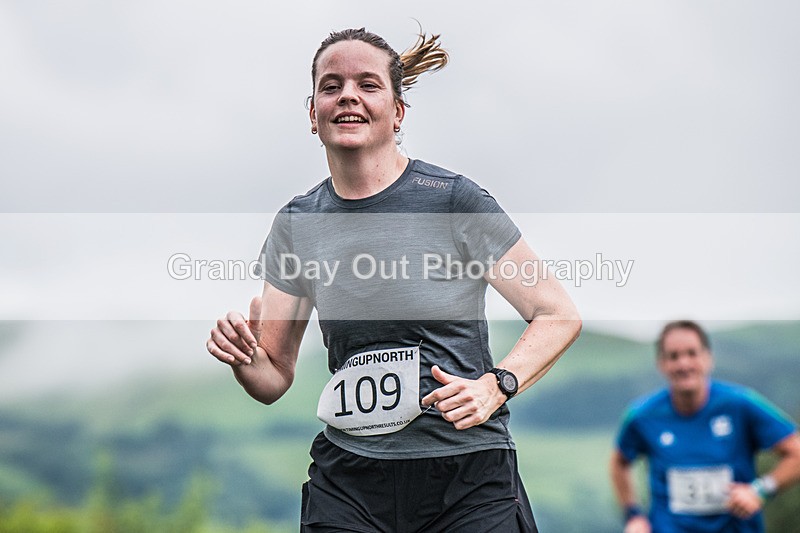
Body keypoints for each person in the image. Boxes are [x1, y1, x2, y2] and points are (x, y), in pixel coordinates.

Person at [206, 26, 581, 532]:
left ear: (398, 112)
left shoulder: (453, 199)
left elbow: (557, 314)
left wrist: (497, 385)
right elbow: (272, 378)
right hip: (351, 483)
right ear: (312, 113)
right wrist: (246, 359)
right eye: (331, 85)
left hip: (466, 477)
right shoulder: (296, 223)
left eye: (368, 84)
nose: (348, 97)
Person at [610, 320, 800, 533]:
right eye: (673, 356)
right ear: (661, 364)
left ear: (708, 358)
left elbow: (796, 452)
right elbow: (619, 463)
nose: (683, 364)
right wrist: (633, 516)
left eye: (692, 353)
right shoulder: (642, 415)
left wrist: (760, 490)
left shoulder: (740, 404)